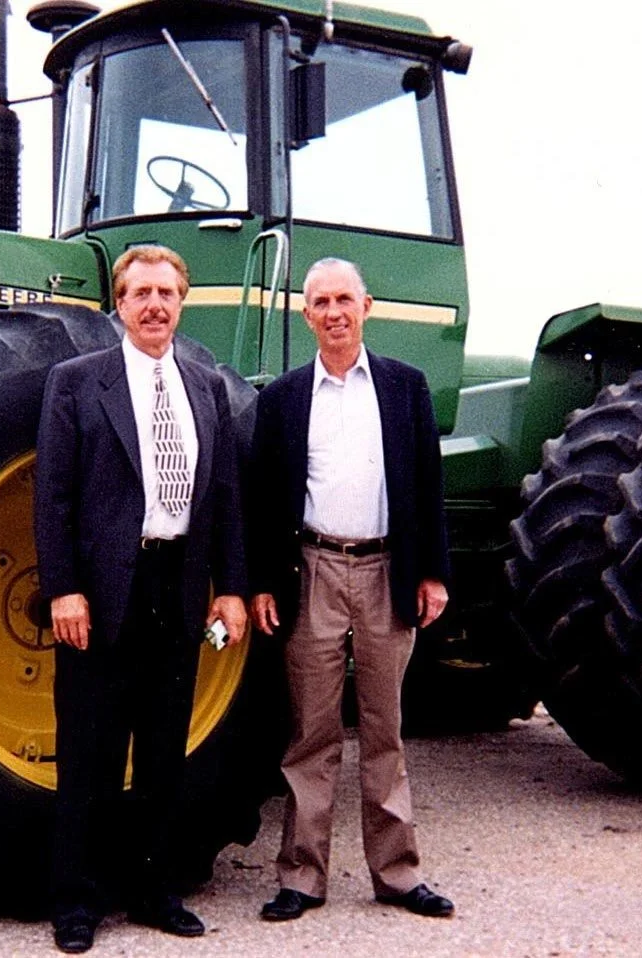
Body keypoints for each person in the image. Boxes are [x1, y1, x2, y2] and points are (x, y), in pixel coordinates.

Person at [34, 244, 249, 954]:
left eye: (166, 292)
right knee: (89, 752)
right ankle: (76, 901)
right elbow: (53, 498)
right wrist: (63, 589)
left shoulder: (204, 384)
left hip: (179, 585)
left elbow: (223, 496)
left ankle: (155, 891)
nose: (154, 305)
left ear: (182, 301)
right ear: (118, 304)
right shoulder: (76, 382)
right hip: (101, 593)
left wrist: (233, 590)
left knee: (164, 751)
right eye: (140, 293)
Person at [248, 257, 454, 922]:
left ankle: (397, 873)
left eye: (344, 300)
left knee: (384, 729)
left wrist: (433, 573)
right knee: (310, 732)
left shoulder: (404, 387)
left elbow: (427, 485)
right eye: (320, 303)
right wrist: (262, 583)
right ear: (305, 315)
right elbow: (262, 499)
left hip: (385, 572)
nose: (333, 313)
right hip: (312, 573)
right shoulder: (281, 399)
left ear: (367, 307)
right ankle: (301, 877)